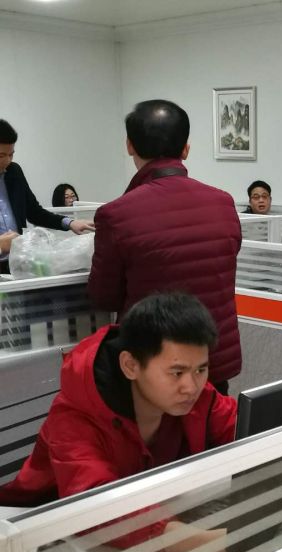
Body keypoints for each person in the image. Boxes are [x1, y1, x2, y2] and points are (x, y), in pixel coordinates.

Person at [0, 293, 237, 552]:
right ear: (130, 366)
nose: (191, 387)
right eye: (177, 372)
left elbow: (242, 426)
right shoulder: (73, 416)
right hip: (43, 539)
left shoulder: (197, 398)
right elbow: (94, 504)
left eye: (201, 370)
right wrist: (206, 544)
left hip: (143, 526)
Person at [88, 99, 242, 395]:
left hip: (154, 369)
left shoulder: (116, 215)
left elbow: (104, 296)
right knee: (212, 425)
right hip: (210, 360)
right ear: (186, 149)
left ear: (129, 145)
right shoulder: (223, 203)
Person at [0, 120, 94, 273]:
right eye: (1, 155)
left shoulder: (14, 172)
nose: (7, 161)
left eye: (11, 154)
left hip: (16, 263)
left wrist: (69, 222)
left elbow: (34, 212)